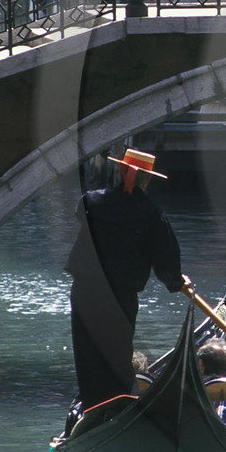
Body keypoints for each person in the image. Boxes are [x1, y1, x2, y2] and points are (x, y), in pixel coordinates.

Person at [65, 147, 187, 414]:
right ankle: (116, 408)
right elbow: (165, 258)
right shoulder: (151, 213)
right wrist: (177, 283)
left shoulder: (90, 202)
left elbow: (82, 215)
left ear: (120, 171)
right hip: (119, 297)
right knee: (118, 355)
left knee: (87, 353)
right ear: (147, 179)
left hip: (84, 291)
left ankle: (92, 407)